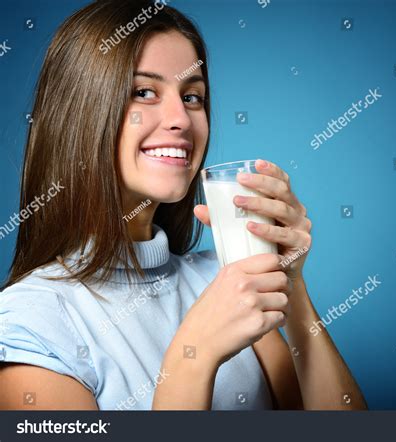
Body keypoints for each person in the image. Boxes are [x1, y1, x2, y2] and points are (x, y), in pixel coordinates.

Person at [0, 0, 367, 410]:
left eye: (193, 97)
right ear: (80, 114)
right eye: (143, 92)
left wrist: (291, 283)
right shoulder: (32, 321)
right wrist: (193, 356)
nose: (181, 118)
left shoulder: (225, 277)